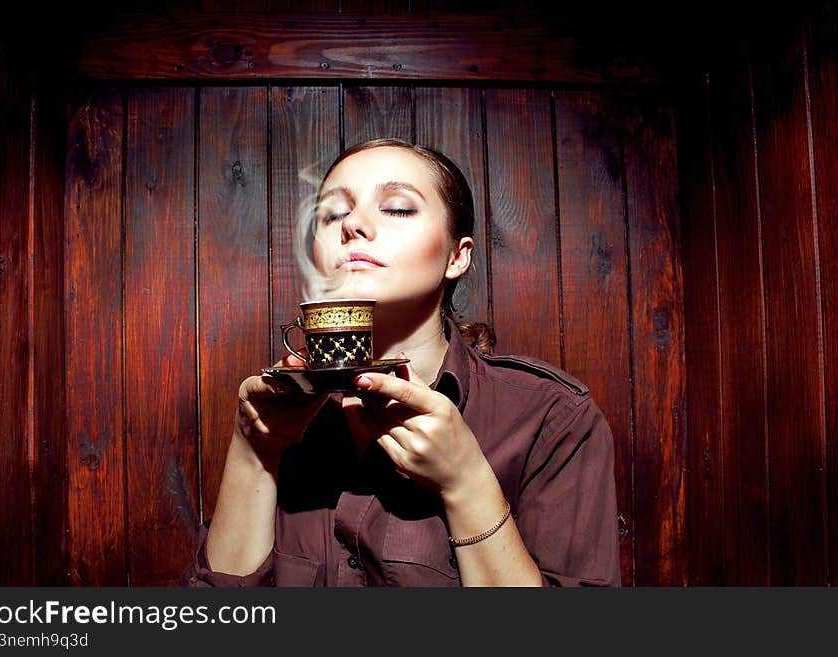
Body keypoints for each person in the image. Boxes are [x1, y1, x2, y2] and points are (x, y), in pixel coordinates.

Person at [179, 138, 620, 587]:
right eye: (332, 214)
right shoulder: (280, 414)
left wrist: (465, 483)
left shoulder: (553, 418)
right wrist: (254, 450)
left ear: (457, 256)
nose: (352, 224)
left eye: (397, 208)